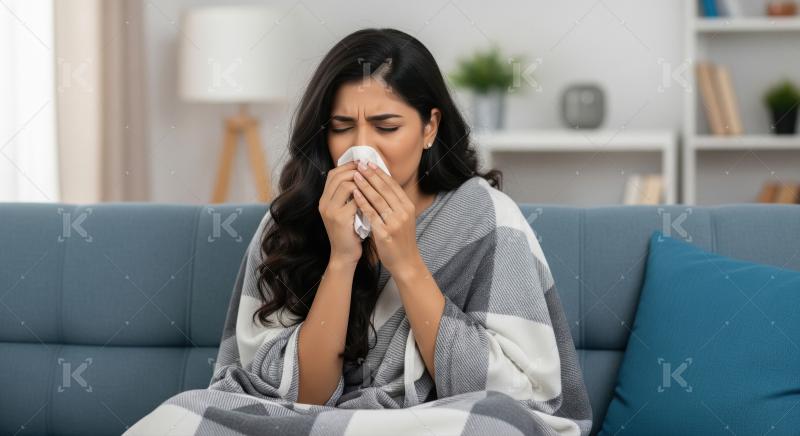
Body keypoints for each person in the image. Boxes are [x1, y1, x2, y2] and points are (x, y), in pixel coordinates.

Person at [125, 28, 592, 436]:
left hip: (424, 423)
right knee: (181, 415)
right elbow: (293, 396)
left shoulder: (485, 216)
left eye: (386, 126)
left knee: (496, 423)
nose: (362, 148)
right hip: (309, 421)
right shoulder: (290, 220)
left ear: (429, 127)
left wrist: (406, 263)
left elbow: (518, 392)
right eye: (342, 127)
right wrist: (342, 259)